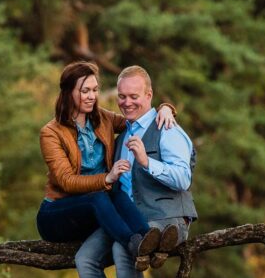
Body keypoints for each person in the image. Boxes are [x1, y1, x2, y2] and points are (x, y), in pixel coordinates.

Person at [75, 65, 196, 278]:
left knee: (124, 247)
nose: (127, 102)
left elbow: (183, 178)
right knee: (85, 258)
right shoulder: (121, 137)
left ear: (149, 95)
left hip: (168, 217)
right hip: (128, 218)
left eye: (134, 96)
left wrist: (146, 161)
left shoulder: (167, 128)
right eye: (122, 96)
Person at [36, 61, 179, 266]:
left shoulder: (102, 118)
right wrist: (108, 177)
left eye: (95, 90)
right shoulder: (51, 133)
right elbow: (66, 181)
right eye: (85, 91)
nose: (92, 96)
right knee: (101, 195)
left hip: (96, 208)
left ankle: (151, 241)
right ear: (68, 92)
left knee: (116, 193)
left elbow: (139, 118)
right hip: (57, 216)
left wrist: (165, 109)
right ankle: (135, 246)